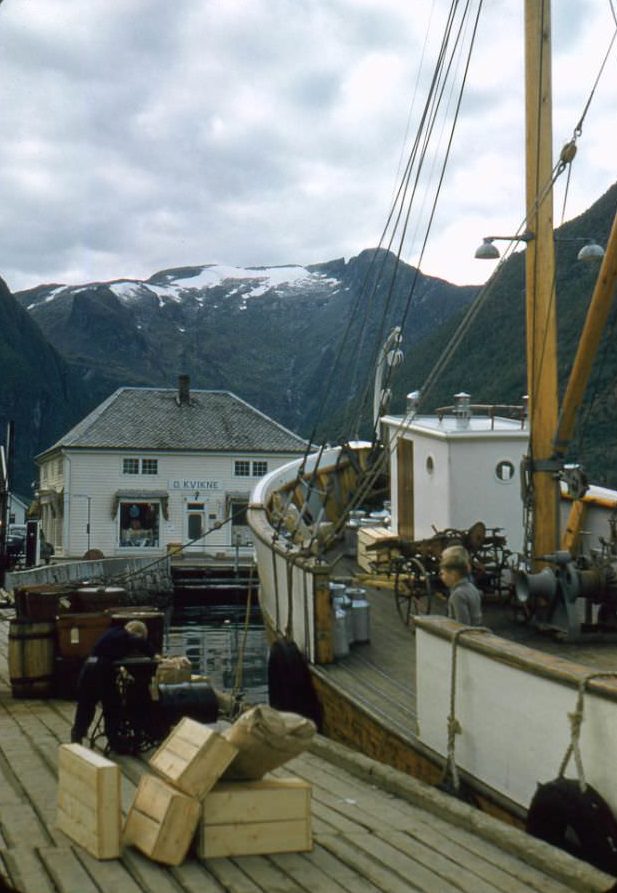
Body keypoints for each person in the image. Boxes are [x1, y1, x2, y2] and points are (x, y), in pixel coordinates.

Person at [70, 620, 156, 747]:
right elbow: (137, 641)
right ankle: (115, 740)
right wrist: (154, 654)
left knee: (86, 705)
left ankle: (77, 736)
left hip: (88, 667)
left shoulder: (112, 633)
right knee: (113, 705)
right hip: (101, 670)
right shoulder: (124, 635)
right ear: (136, 633)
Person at [439, 545, 483, 626]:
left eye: (443, 574)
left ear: (453, 574)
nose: (441, 576)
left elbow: (462, 624)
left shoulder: (458, 595)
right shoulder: (471, 587)